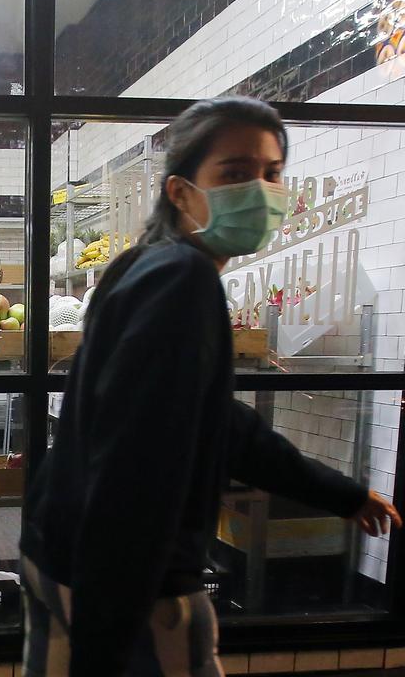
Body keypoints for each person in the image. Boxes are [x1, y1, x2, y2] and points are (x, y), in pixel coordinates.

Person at [20, 96, 401, 677]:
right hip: (123, 584)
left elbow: (220, 423)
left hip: (72, 556)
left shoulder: (144, 265)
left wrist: (337, 493)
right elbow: (132, 466)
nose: (260, 189)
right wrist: (107, 636)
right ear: (180, 191)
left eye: (271, 173)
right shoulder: (183, 279)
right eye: (234, 172)